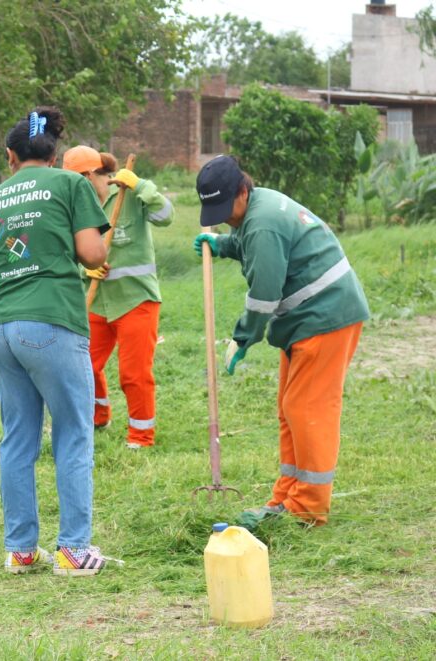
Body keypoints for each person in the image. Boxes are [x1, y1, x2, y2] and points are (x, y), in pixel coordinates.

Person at [193, 155, 369, 529]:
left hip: (327, 316)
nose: (226, 216)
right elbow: (249, 240)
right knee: (290, 408)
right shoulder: (259, 206)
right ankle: (288, 496)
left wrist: (243, 338)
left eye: (227, 208)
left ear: (243, 189)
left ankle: (307, 507)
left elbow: (264, 296)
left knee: (308, 409)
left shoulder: (263, 222)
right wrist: (223, 244)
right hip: (306, 320)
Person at [0, 107, 110, 576]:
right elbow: (92, 252)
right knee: (73, 431)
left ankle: (21, 551)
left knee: (17, 438)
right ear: (55, 154)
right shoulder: (72, 185)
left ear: (10, 156)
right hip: (52, 321)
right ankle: (73, 551)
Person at [62, 147, 174, 449]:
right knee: (83, 364)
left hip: (136, 300)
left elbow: (166, 216)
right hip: (98, 301)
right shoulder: (77, 207)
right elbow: (71, 251)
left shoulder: (129, 194)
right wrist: (87, 271)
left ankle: (140, 436)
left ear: (88, 177)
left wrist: (141, 185)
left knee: (133, 374)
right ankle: (99, 417)